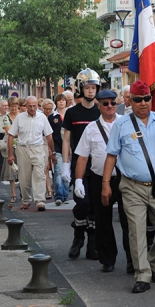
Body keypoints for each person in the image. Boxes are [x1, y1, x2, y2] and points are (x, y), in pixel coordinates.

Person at [102, 80, 155, 294]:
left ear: (151, 100)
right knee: (136, 231)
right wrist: (106, 184)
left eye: (146, 99)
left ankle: (154, 264)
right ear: (130, 101)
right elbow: (111, 155)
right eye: (138, 99)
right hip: (132, 186)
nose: (143, 103)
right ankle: (143, 274)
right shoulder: (121, 124)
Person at [73, 89, 131, 273]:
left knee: (129, 220)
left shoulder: (126, 123)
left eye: (113, 103)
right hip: (99, 179)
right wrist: (78, 181)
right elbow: (82, 157)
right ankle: (108, 259)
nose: (110, 107)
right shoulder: (90, 128)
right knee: (102, 221)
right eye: (105, 103)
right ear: (99, 105)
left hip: (124, 178)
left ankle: (132, 260)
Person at [62, 69, 102, 260]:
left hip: (99, 164)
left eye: (93, 87)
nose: (91, 91)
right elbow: (67, 140)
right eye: (87, 87)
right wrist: (64, 164)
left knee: (95, 205)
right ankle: (78, 238)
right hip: (79, 163)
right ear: (80, 89)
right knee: (82, 203)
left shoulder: (101, 110)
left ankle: (92, 244)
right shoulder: (72, 113)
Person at [7, 96, 56, 211]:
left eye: (34, 106)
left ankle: (40, 201)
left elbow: (49, 135)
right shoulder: (20, 118)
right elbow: (10, 135)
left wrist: (52, 152)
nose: (33, 108)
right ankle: (26, 200)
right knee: (24, 178)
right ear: (25, 106)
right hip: (23, 148)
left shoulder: (42, 117)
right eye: (30, 106)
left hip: (38, 148)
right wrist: (10, 154)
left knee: (40, 175)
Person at [1, 97, 21, 203]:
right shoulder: (6, 118)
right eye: (11, 106)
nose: (14, 108)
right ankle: (13, 193)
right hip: (11, 146)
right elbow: (10, 132)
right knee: (11, 171)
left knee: (23, 169)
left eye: (15, 106)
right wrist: (20, 133)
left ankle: (22, 188)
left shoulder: (22, 116)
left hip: (22, 145)